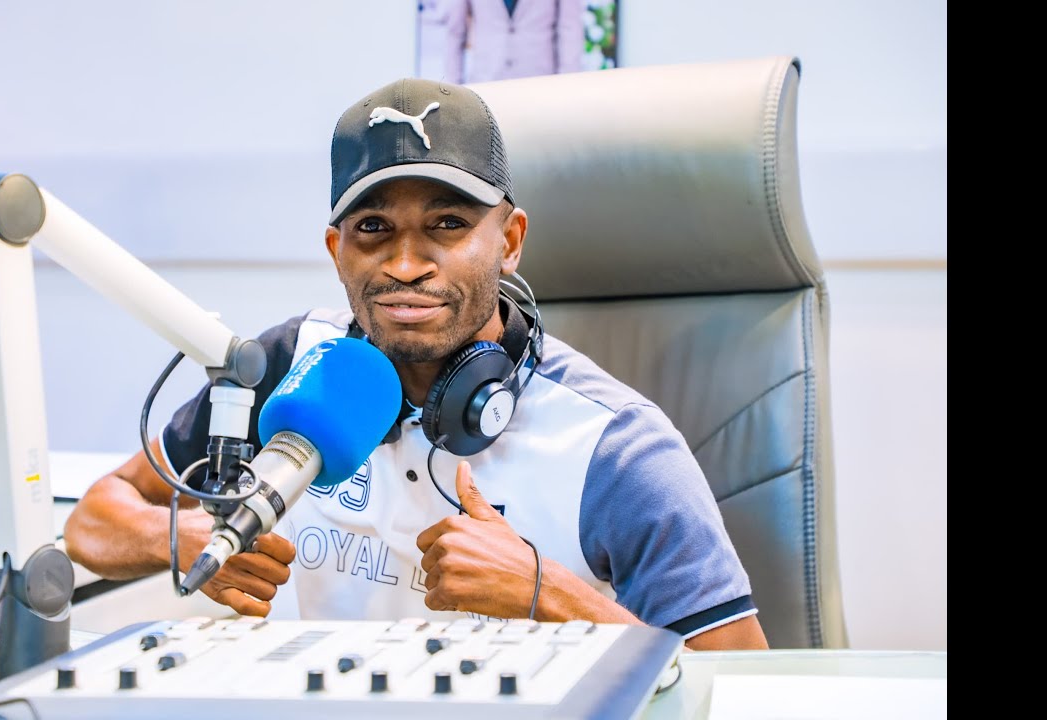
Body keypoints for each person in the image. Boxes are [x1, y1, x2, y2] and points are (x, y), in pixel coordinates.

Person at [63, 77, 769, 651]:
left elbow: (738, 679)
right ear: (337, 250)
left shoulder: (613, 445)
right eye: (373, 228)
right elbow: (93, 520)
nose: (404, 265)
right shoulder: (285, 366)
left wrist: (546, 593)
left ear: (510, 241)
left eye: (447, 224)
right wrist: (182, 537)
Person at [419, 0, 585, 84]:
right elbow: (455, 32)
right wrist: (453, 92)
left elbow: (569, 28)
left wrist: (566, 87)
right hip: (486, 84)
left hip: (540, 83)